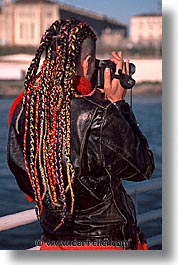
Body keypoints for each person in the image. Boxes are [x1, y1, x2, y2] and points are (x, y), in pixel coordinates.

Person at [7, 18, 154, 250]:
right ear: (86, 63)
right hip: (105, 245)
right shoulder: (98, 117)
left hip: (54, 243)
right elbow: (143, 167)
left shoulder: (22, 110)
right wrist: (118, 106)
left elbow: (28, 179)